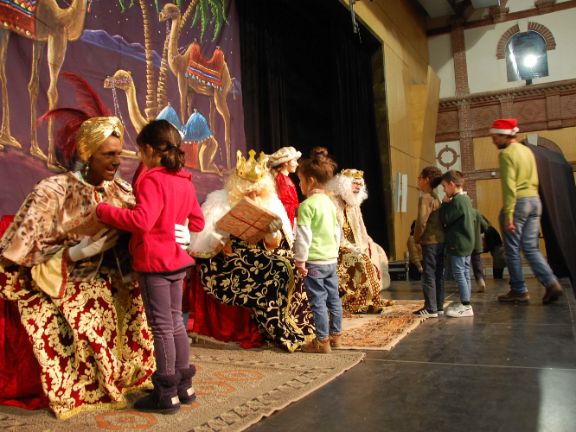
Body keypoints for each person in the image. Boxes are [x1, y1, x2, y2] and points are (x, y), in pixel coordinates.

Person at [0, 116, 155, 419]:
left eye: (118, 154)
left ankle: (123, 371)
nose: (116, 162)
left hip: (114, 275)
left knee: (133, 299)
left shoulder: (121, 189)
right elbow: (21, 250)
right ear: (87, 154)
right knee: (86, 309)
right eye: (107, 155)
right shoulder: (52, 191)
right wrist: (75, 252)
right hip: (63, 278)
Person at [97, 119, 205, 414]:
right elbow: (198, 222)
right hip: (177, 263)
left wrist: (105, 210)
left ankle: (166, 392)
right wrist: (177, 223)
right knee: (175, 323)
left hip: (155, 263)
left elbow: (142, 221)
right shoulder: (184, 179)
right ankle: (185, 386)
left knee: (161, 327)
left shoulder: (152, 180)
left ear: (146, 150)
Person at [188, 149, 315, 352]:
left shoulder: (271, 202)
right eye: (249, 191)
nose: (254, 195)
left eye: (257, 191)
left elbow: (277, 244)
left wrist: (271, 234)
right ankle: (275, 329)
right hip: (228, 261)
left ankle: (293, 325)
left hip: (258, 253)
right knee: (278, 269)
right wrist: (220, 242)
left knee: (289, 263)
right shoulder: (218, 202)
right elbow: (203, 242)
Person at [490, 118, 562, 304]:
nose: (493, 141)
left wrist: (509, 214)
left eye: (495, 137)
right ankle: (551, 282)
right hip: (535, 201)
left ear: (504, 136)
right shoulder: (527, 151)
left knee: (512, 249)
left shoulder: (506, 154)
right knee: (530, 248)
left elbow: (509, 186)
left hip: (518, 204)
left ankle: (519, 290)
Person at [295, 152, 342, 353]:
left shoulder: (306, 206)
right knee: (334, 299)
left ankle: (322, 341)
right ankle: (336, 336)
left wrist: (300, 261)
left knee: (318, 302)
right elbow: (336, 231)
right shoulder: (330, 204)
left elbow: (303, 237)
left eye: (300, 181)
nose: (299, 185)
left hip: (314, 261)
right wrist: (334, 252)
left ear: (311, 181)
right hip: (331, 260)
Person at [327, 168, 391, 314]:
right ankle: (355, 300)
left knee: (368, 258)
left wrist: (366, 244)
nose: (358, 187)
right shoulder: (332, 202)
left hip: (353, 247)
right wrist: (351, 248)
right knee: (360, 261)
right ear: (344, 184)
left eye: (360, 184)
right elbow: (334, 232)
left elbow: (361, 229)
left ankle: (370, 299)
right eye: (354, 183)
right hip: (336, 247)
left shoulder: (353, 203)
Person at [439, 170, 476, 318]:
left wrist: (444, 203)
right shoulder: (466, 199)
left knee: (459, 273)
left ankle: (466, 305)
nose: (444, 189)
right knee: (465, 272)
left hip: (458, 242)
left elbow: (445, 218)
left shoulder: (457, 201)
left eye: (444, 186)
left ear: (452, 184)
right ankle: (466, 302)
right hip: (467, 242)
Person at [413, 166, 445, 318]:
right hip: (440, 241)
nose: (418, 180)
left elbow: (421, 222)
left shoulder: (425, 198)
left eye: (420, 178)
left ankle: (430, 308)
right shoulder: (436, 196)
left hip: (430, 242)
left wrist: (416, 238)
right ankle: (438, 306)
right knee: (438, 274)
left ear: (426, 180)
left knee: (429, 275)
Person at [268, 146, 302, 229]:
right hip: (284, 222)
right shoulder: (282, 180)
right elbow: (284, 206)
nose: (297, 164)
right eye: (294, 161)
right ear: (286, 163)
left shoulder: (284, 178)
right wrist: (300, 208)